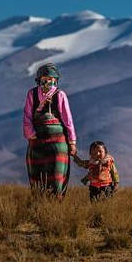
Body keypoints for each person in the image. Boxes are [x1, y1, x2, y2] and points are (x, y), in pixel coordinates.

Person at [23, 63, 77, 198]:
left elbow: (67, 120)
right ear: (39, 80)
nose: (48, 82)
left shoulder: (60, 95)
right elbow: (27, 116)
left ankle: (55, 207)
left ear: (55, 80)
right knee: (37, 177)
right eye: (44, 79)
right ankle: (39, 205)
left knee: (56, 177)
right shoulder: (32, 94)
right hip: (36, 143)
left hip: (57, 144)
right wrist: (31, 135)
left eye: (51, 79)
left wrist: (72, 142)